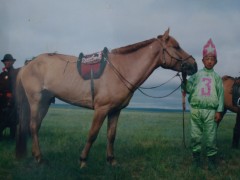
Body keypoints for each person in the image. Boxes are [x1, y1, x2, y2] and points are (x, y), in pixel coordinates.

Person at [182, 39, 224, 170]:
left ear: (215, 61)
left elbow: (221, 95)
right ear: (203, 60)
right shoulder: (196, 76)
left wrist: (219, 111)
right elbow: (188, 89)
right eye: (207, 58)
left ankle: (211, 161)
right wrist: (184, 80)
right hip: (196, 110)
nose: (210, 61)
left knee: (211, 137)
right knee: (195, 136)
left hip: (211, 112)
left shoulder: (217, 78)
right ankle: (196, 160)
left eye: (212, 59)